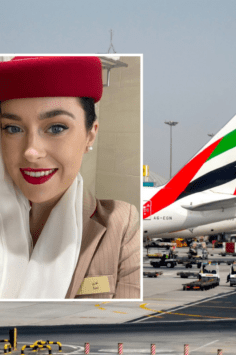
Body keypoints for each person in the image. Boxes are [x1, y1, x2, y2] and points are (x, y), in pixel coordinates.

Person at [0, 56, 140, 299]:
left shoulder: (120, 224)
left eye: (56, 128)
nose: (31, 152)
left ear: (90, 135)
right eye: (13, 129)